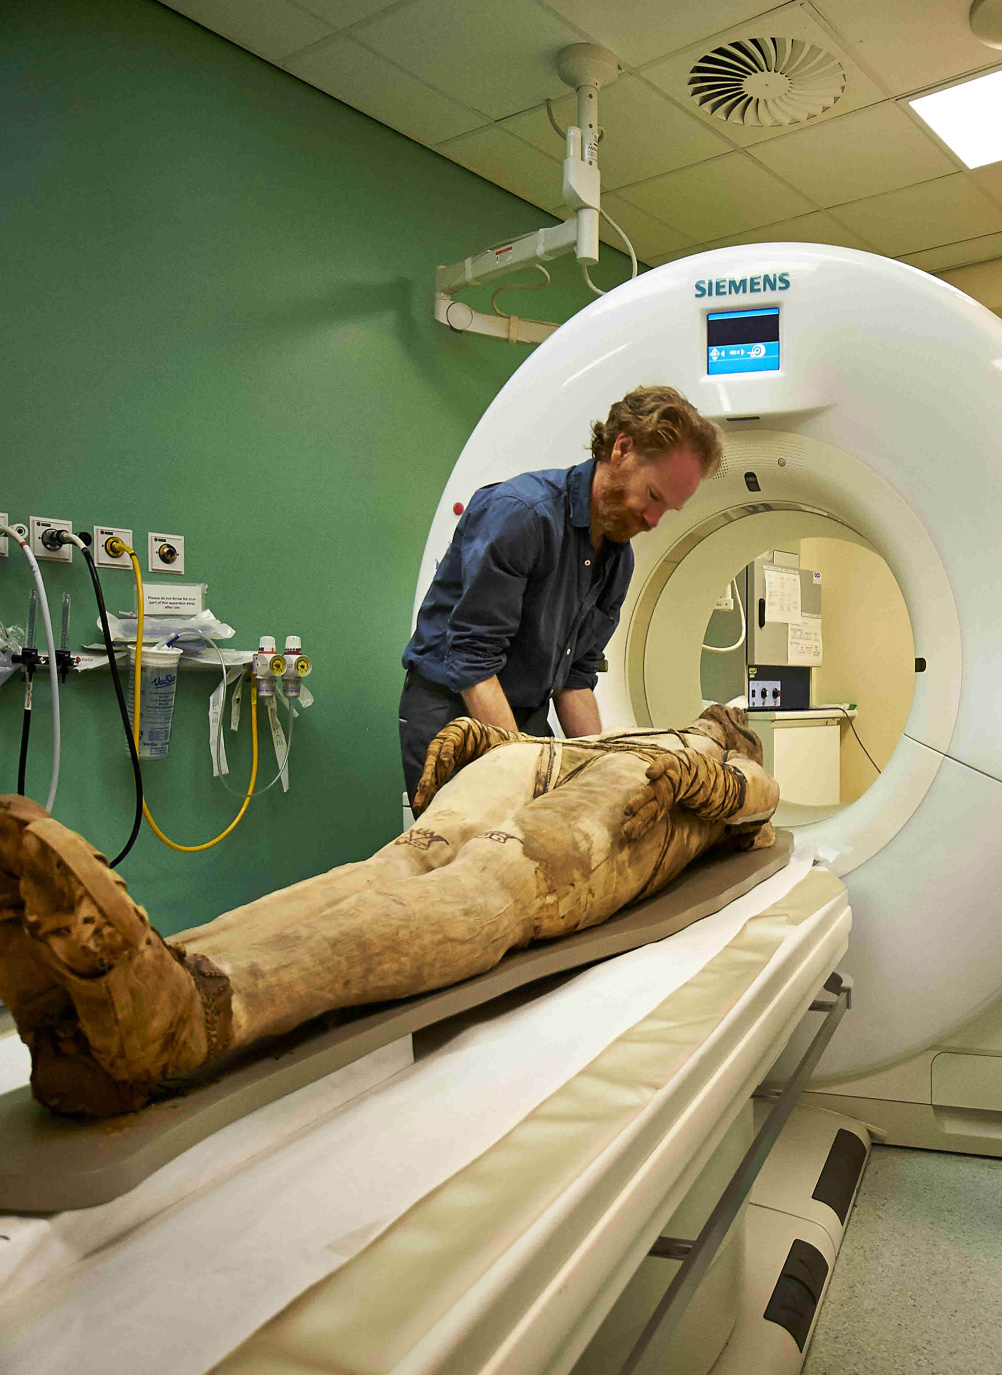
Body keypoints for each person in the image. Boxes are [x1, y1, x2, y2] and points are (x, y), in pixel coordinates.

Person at [0, 706, 777, 1119]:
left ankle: (191, 1017)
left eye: (725, 722)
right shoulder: (661, 723)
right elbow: (566, 743)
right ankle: (134, 984)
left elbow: (761, 801)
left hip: (633, 798)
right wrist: (496, 740)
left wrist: (712, 777)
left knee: (484, 891)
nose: (715, 715)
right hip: (543, 763)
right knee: (392, 865)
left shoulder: (721, 758)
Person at [399, 386, 723, 806]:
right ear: (622, 449)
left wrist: (606, 773)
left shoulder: (618, 560)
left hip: (525, 716)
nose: (653, 520)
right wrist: (523, 770)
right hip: (453, 712)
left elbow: (575, 678)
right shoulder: (522, 515)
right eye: (654, 496)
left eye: (667, 511)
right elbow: (472, 660)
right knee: (469, 860)